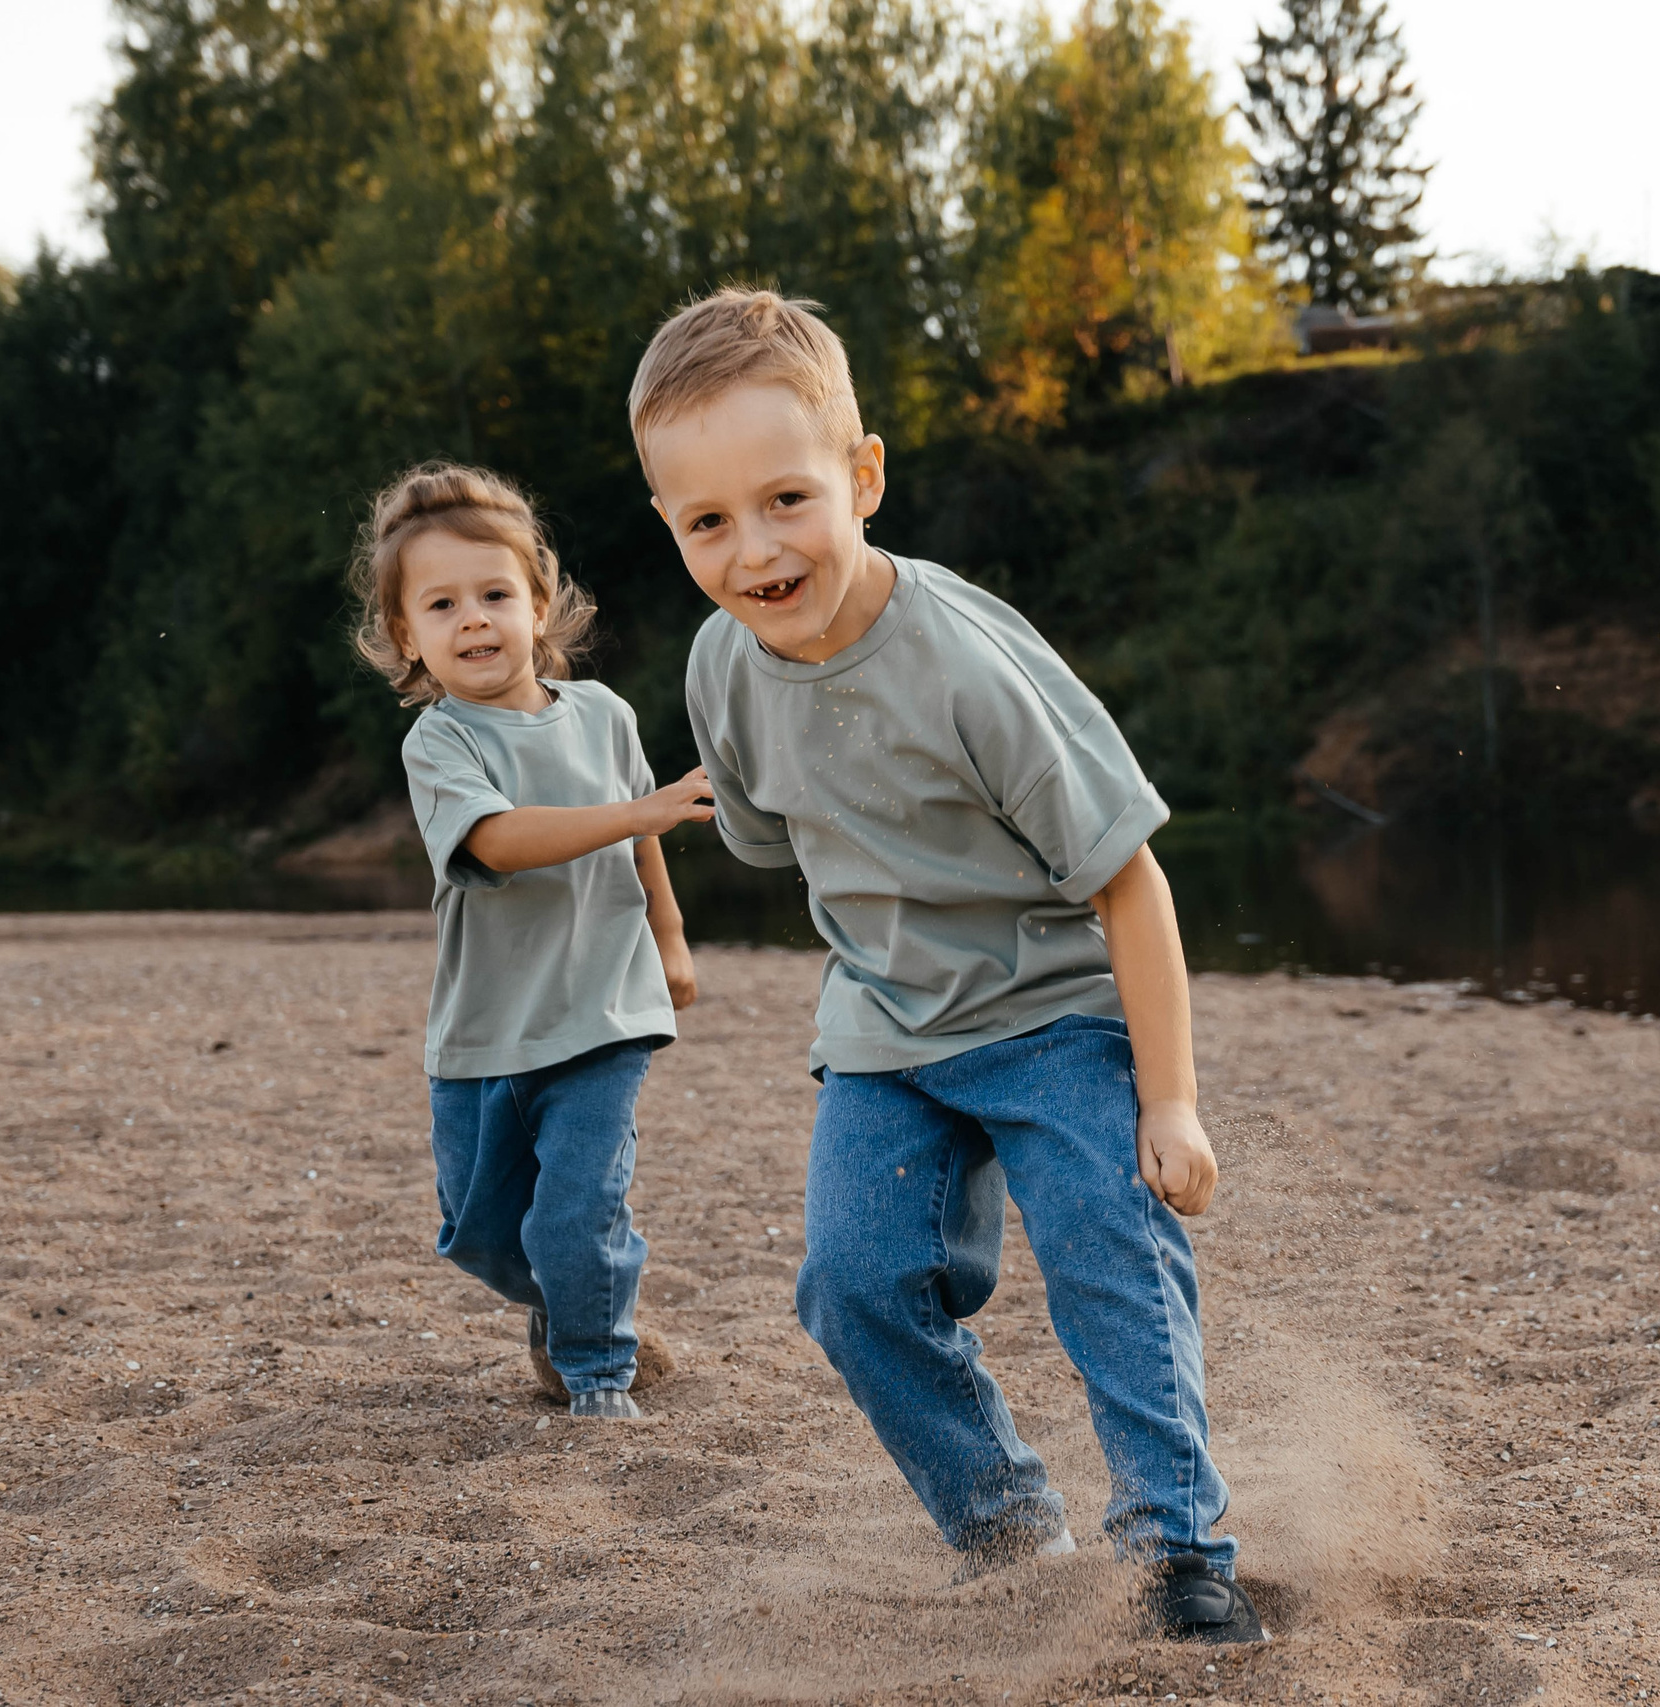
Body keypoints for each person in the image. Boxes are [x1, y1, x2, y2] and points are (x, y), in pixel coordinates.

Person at [632, 289, 1265, 1638]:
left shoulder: (968, 663)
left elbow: (1128, 876)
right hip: (884, 1028)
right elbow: (763, 825)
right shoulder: (719, 663)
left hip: (1054, 1015)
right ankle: (1007, 1524)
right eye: (709, 521)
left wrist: (1171, 1099)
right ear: (672, 528)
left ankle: (1181, 1546)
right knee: (851, 1284)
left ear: (863, 475)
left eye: (788, 497)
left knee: (1111, 1254)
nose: (756, 550)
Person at [352, 461, 714, 1421]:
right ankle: (577, 1298)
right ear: (407, 635)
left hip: (604, 1009)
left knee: (576, 1211)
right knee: (476, 1230)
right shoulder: (440, 743)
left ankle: (597, 1371)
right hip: (483, 1029)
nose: (473, 619)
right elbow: (500, 840)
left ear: (540, 600)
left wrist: (670, 940)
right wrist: (642, 806)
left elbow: (642, 843)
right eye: (442, 604)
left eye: (495, 594)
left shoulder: (606, 715)